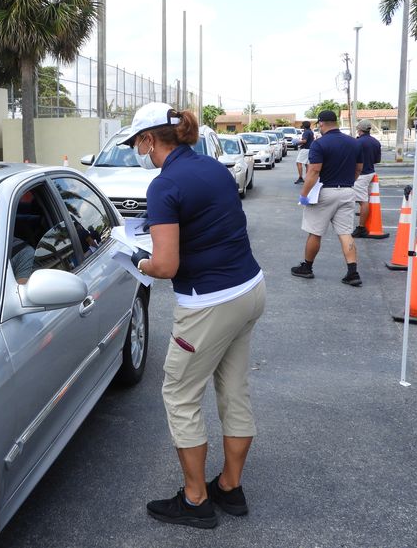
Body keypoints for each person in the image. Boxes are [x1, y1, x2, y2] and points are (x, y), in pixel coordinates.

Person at [122, 101, 266, 530]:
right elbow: (208, 224)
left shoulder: (165, 186)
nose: (137, 150)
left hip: (209, 304)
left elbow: (165, 266)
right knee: (233, 389)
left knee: (180, 395)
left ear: (150, 140)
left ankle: (195, 499)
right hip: (250, 289)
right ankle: (229, 486)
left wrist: (136, 259)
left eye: (136, 142)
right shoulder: (211, 167)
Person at [291, 109, 363, 286]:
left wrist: (304, 194)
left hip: (324, 192)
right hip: (347, 191)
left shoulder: (320, 144)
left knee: (315, 231)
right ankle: (353, 272)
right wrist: (348, 182)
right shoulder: (354, 143)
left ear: (321, 123)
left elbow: (314, 171)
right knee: (345, 232)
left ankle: (307, 267)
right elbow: (359, 168)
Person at [351, 119, 382, 238]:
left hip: (361, 174)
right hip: (370, 172)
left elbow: (353, 158)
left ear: (359, 130)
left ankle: (361, 227)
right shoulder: (375, 142)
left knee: (363, 201)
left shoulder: (358, 142)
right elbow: (377, 160)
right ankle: (363, 221)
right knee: (364, 198)